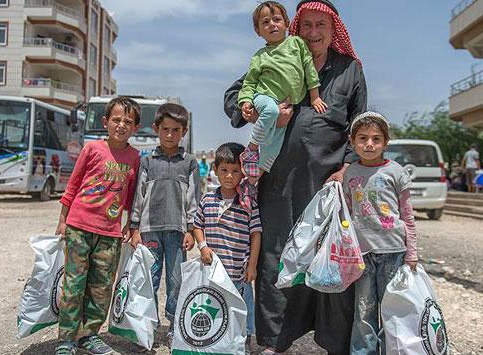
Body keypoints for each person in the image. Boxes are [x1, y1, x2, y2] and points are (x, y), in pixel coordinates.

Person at [224, 1, 366, 353]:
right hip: (278, 184)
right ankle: (274, 340)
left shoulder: (350, 71)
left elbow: (359, 125)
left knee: (330, 257)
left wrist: (347, 167)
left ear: (334, 31)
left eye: (322, 26)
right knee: (276, 256)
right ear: (296, 29)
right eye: (307, 26)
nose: (314, 33)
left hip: (327, 187)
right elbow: (233, 98)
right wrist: (255, 108)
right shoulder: (276, 58)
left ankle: (333, 340)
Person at [54, 97, 142, 355]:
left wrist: (129, 224)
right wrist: (62, 220)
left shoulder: (135, 157)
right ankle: (66, 339)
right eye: (116, 120)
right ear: (105, 122)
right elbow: (73, 184)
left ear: (135, 128)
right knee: (74, 285)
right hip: (79, 226)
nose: (121, 125)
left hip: (110, 232)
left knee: (102, 286)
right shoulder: (91, 149)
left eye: (128, 121)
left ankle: (88, 335)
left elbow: (131, 195)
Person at [342, 112, 418, 355]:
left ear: (386, 142)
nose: (369, 144)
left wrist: (412, 254)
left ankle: (392, 350)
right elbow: (346, 214)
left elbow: (408, 217)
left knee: (391, 308)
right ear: (352, 142)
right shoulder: (350, 173)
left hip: (393, 251)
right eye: (362, 138)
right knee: (364, 310)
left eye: (376, 139)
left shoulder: (396, 172)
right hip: (362, 254)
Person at [128, 103, 197, 344]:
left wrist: (191, 230)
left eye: (176, 130)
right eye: (165, 129)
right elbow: (138, 196)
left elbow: (193, 200)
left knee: (176, 281)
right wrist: (134, 228)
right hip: (149, 232)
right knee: (149, 279)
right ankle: (145, 327)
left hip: (177, 233)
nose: (170, 135)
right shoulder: (147, 162)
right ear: (156, 129)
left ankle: (173, 327)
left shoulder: (189, 163)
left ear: (184, 132)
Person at [238, 1, 327, 183]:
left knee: (274, 146)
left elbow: (309, 68)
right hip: (264, 97)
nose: (272, 24)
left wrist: (315, 96)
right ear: (258, 31)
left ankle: (254, 179)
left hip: (286, 104)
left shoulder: (297, 44)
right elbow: (249, 82)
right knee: (271, 111)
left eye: (277, 19)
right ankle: (252, 148)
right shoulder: (260, 56)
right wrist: (245, 102)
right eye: (265, 22)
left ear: (287, 23)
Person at [193, 142, 262, 352]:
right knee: (216, 306)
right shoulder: (207, 200)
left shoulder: (248, 203)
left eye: (235, 171)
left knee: (244, 307)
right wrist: (203, 247)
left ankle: (245, 338)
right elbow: (197, 226)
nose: (229, 176)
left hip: (238, 272)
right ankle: (216, 338)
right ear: (215, 171)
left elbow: (256, 235)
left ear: (243, 173)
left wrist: (252, 266)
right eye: (224, 170)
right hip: (214, 271)